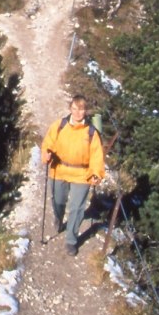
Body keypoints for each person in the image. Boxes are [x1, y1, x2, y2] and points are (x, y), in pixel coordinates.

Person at [41, 94, 105, 255]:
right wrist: (46, 154)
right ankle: (58, 217)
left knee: (77, 208)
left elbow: (97, 155)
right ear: (70, 108)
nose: (77, 113)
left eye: (81, 109)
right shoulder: (59, 125)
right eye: (75, 109)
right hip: (59, 169)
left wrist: (96, 173)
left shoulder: (91, 132)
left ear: (86, 111)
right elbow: (48, 143)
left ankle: (71, 240)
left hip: (81, 174)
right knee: (58, 201)